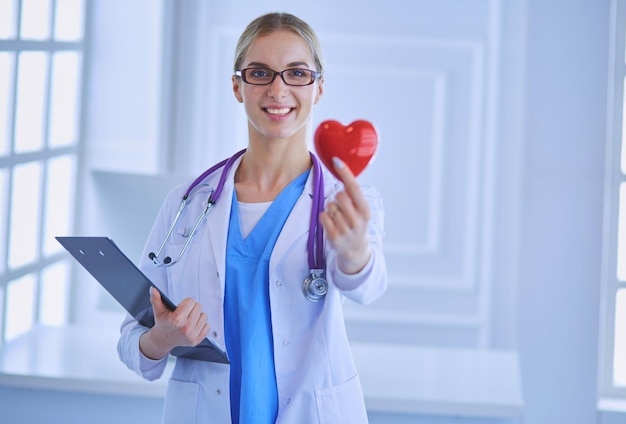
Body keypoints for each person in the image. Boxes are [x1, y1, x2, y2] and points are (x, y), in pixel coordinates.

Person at [117, 11, 387, 424]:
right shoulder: (187, 203)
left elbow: (367, 285)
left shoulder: (344, 200)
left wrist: (355, 255)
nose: (278, 89)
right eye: (260, 72)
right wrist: (161, 339)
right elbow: (132, 342)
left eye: (296, 73)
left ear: (318, 88)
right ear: (237, 86)